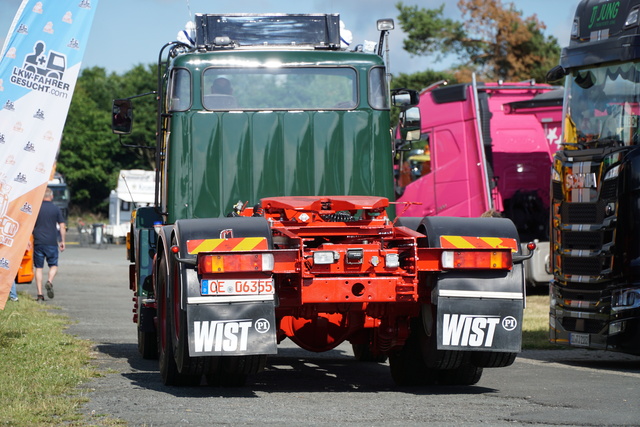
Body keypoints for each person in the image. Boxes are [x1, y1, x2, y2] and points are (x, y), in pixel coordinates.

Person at [33, 188, 66, 301]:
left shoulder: (36, 208)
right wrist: (62, 241)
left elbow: (29, 225)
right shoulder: (56, 209)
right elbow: (62, 226)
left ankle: (39, 294)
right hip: (51, 241)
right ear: (51, 196)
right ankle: (49, 281)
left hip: (38, 241)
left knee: (38, 268)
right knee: (53, 265)